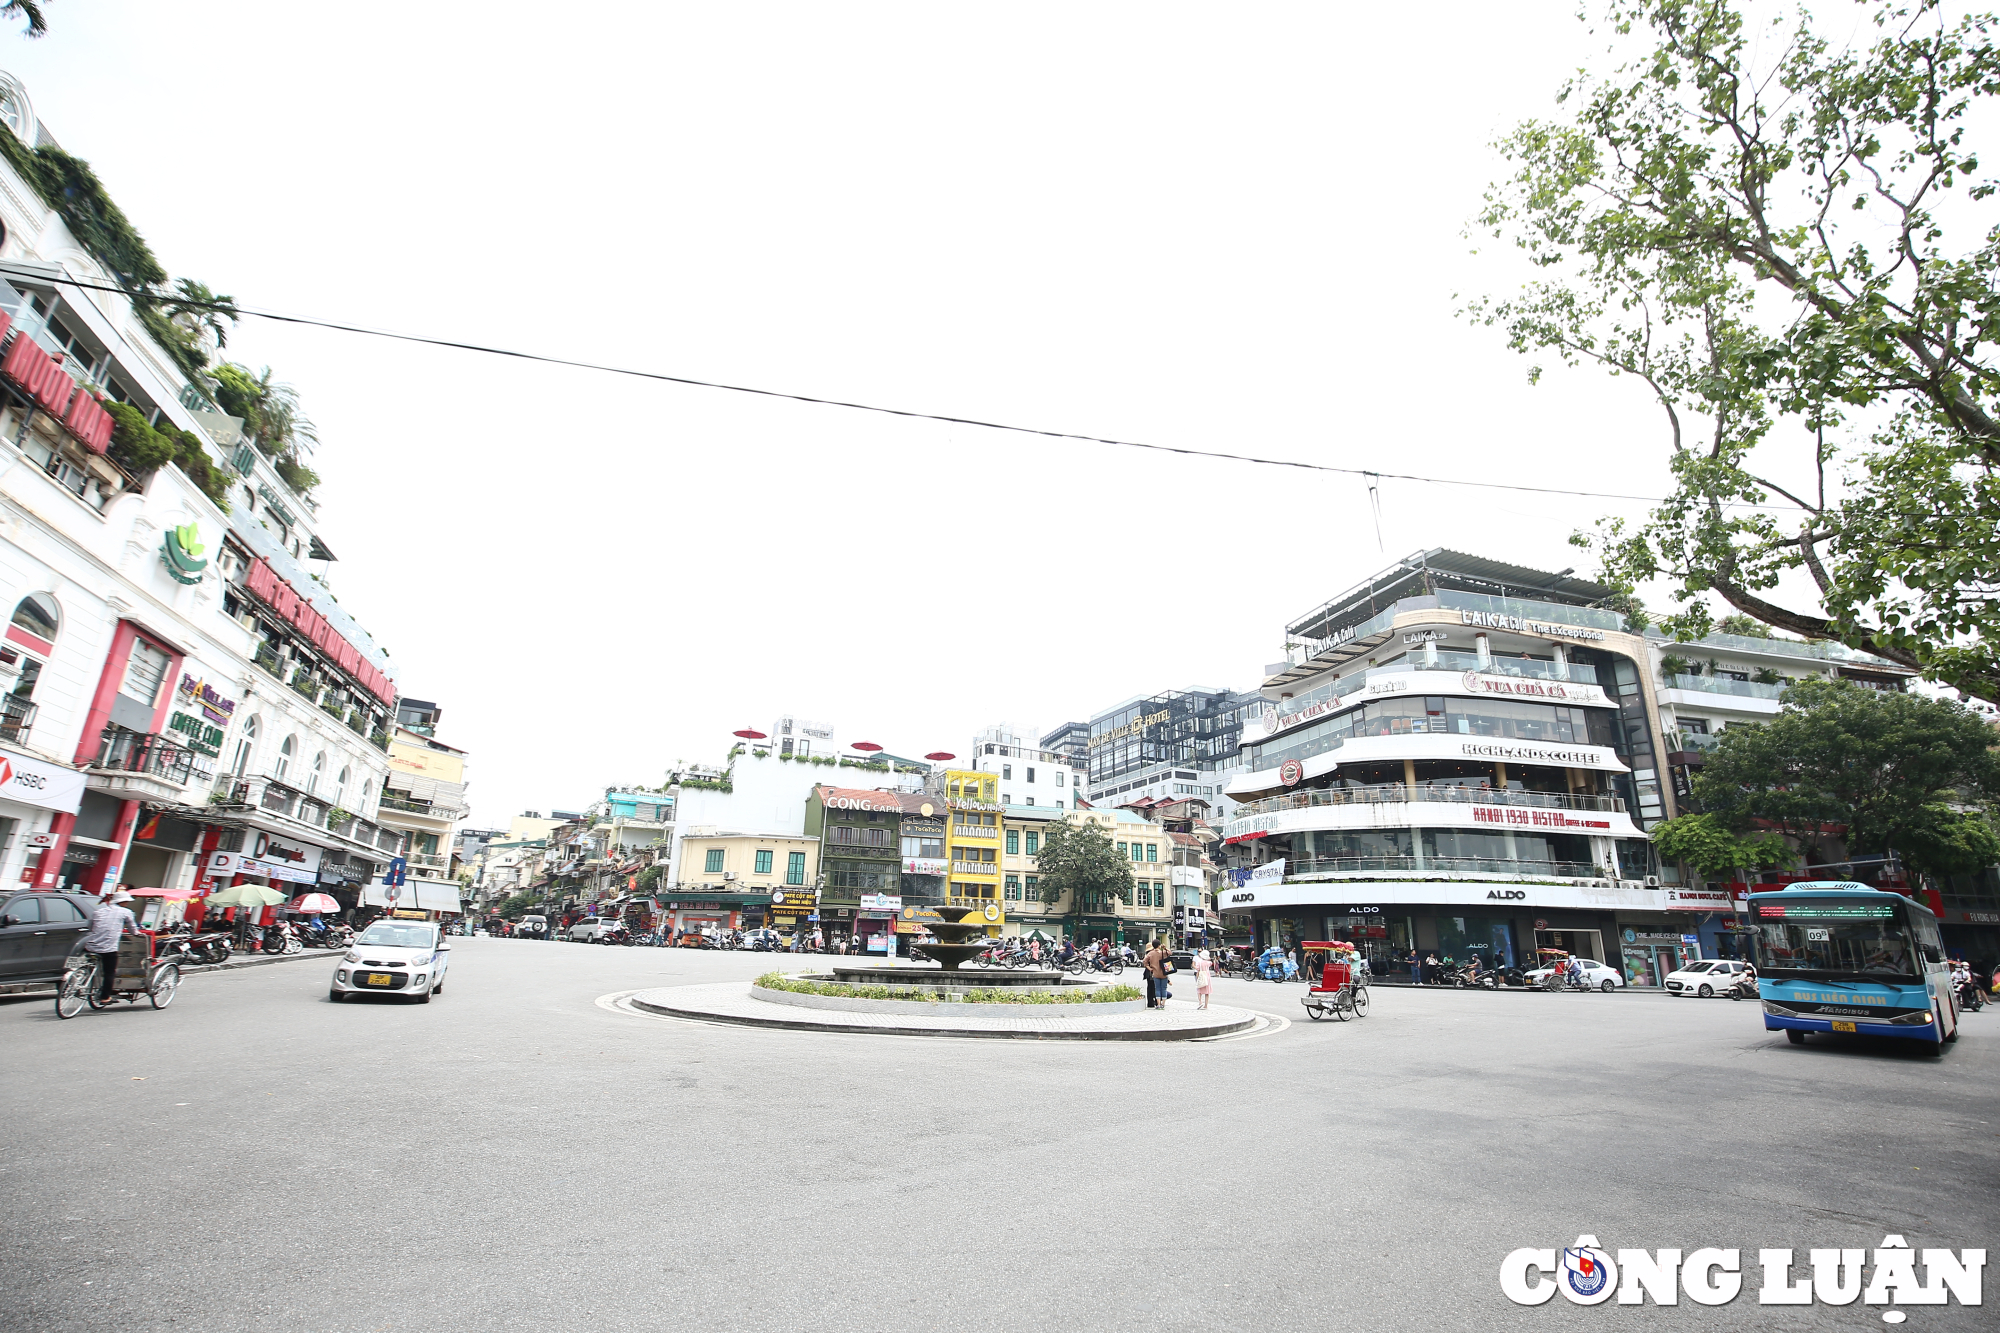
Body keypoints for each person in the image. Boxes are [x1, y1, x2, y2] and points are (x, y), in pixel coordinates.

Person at [83, 889, 141, 1003]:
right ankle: (105, 997)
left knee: (93, 965)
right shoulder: (126, 912)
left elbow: (90, 927)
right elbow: (133, 930)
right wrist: (138, 934)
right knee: (109, 972)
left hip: (91, 945)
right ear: (123, 902)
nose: (127, 904)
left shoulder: (98, 912)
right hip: (108, 948)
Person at [1143, 940, 1167, 1009]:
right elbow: (1169, 953)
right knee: (1158, 988)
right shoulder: (1155, 953)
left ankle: (1151, 1003)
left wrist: (1148, 967)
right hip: (1155, 972)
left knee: (1150, 988)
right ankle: (1158, 1002)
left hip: (1149, 972)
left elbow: (1144, 962)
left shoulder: (1148, 953)